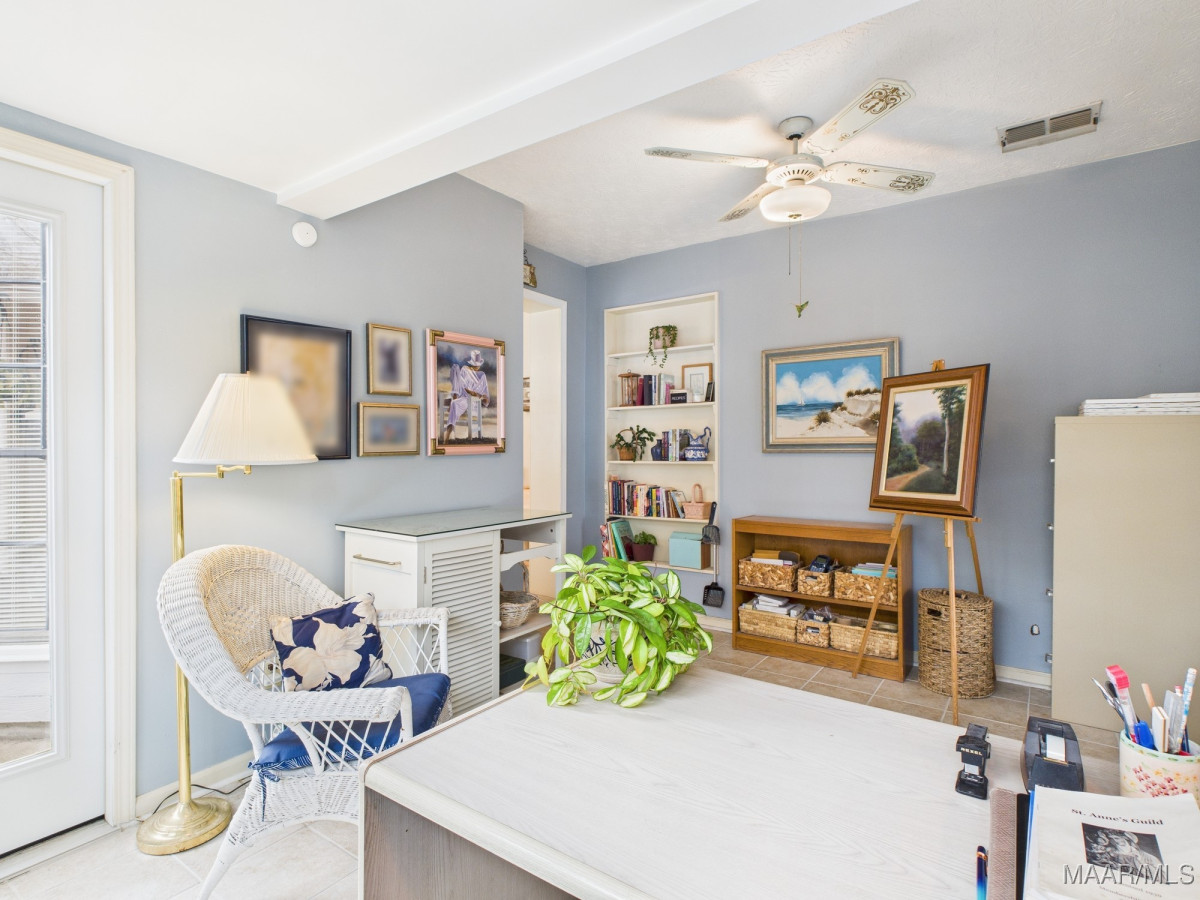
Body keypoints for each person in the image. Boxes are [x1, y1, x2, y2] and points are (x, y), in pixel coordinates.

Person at [442, 348, 490, 442]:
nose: (477, 366)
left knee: (454, 403)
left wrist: (477, 395)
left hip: (473, 401)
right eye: (475, 364)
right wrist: (470, 392)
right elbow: (461, 386)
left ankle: (448, 432)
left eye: (477, 364)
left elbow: (485, 395)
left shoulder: (482, 375)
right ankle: (449, 432)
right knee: (455, 368)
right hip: (464, 397)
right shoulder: (465, 369)